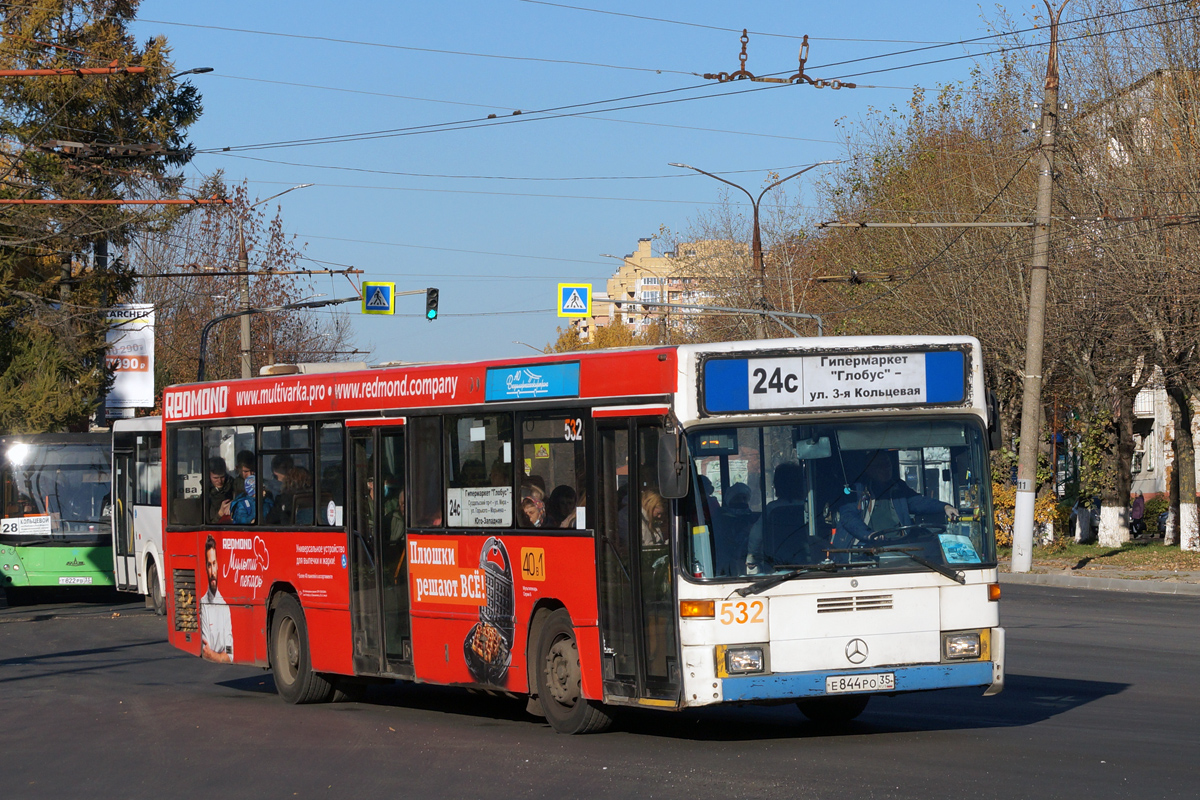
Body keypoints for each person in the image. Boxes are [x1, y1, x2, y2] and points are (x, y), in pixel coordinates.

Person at [834, 450, 958, 550]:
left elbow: (917, 501)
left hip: (899, 547)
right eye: (879, 466)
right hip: (863, 548)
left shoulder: (898, 487)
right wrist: (869, 534)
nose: (885, 468)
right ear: (869, 469)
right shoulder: (856, 490)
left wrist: (945, 507)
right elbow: (848, 517)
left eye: (887, 464)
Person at [746, 462, 808, 572]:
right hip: (808, 562)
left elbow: (756, 536)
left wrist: (752, 557)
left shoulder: (772, 509)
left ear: (778, 485)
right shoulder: (809, 508)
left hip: (776, 565)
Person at [200, 535, 234, 663]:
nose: (212, 571)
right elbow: (205, 650)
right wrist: (220, 655)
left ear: (218, 565)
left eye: (214, 564)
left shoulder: (225, 606)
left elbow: (230, 655)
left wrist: (214, 655)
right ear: (206, 567)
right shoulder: (203, 604)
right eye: (209, 565)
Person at [207, 457, 236, 524]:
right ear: (208, 475)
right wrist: (220, 513)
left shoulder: (234, 486)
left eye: (222, 477)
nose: (219, 481)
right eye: (215, 478)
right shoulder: (206, 494)